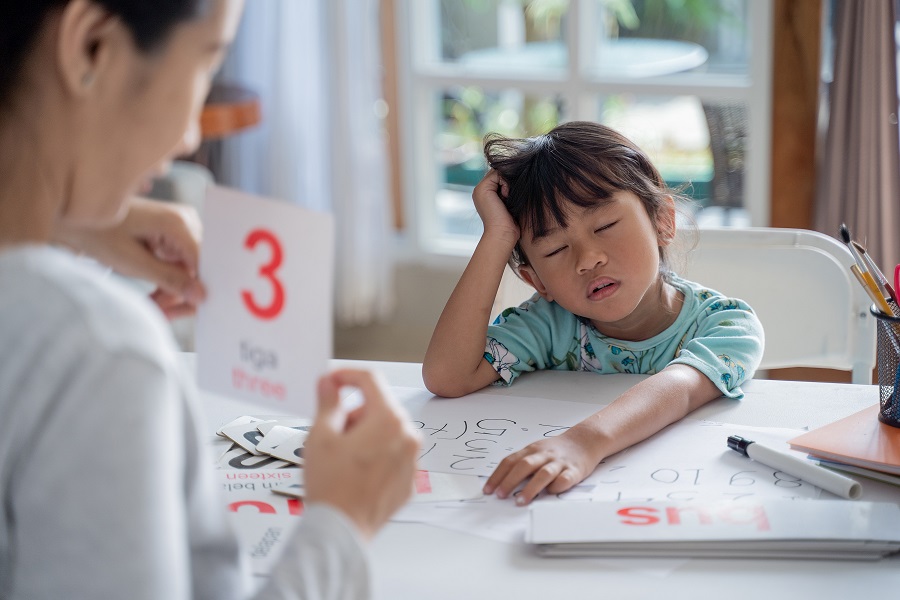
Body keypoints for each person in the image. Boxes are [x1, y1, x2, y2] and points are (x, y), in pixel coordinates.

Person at [0, 1, 421, 599]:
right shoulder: (97, 351)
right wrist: (342, 525)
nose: (191, 133)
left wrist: (69, 220)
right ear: (90, 46)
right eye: (204, 61)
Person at [422, 121, 764, 506]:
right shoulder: (548, 325)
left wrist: (581, 442)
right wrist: (497, 236)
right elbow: (448, 376)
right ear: (537, 281)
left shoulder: (727, 325)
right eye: (554, 250)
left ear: (663, 222)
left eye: (605, 225)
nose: (588, 259)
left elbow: (679, 390)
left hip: (674, 502)